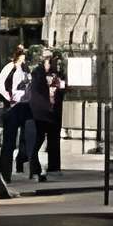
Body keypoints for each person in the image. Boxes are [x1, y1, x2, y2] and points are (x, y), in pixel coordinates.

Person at [0, 42, 33, 179]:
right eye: (22, 56)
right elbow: (0, 83)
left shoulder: (26, 69)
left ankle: (22, 164)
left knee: (26, 138)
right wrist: (8, 96)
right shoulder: (10, 67)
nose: (24, 59)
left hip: (25, 104)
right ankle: (5, 172)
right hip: (12, 106)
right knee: (9, 141)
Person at [34, 49, 65, 179]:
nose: (49, 61)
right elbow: (37, 89)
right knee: (38, 138)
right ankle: (31, 164)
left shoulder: (57, 74)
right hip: (43, 110)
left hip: (54, 109)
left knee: (54, 137)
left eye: (50, 58)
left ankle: (54, 166)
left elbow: (62, 87)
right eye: (47, 58)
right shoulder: (38, 72)